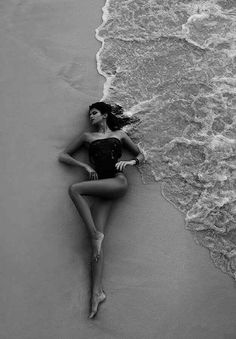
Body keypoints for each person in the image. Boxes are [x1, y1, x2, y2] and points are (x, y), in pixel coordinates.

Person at [58, 101, 144, 319]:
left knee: (75, 189)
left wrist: (130, 162)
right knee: (96, 247)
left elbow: (141, 155)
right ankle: (97, 294)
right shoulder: (87, 137)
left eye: (94, 113)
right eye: (90, 115)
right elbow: (64, 155)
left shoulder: (120, 135)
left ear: (104, 115)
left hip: (117, 182)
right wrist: (85, 166)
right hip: (101, 189)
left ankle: (94, 234)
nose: (91, 117)